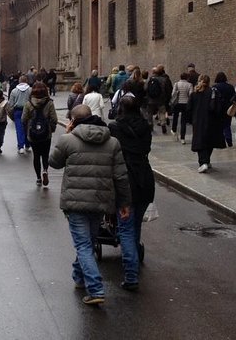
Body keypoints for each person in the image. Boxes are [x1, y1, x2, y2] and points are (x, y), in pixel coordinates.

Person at [48, 104, 132, 305]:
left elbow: (54, 162)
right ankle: (79, 277)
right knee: (88, 243)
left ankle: (95, 289)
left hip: (75, 202)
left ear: (73, 121)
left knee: (84, 245)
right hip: (101, 201)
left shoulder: (68, 140)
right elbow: (120, 176)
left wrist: (66, 135)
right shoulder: (112, 142)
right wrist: (124, 202)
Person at [109, 96, 156, 291]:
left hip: (125, 181)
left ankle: (130, 275)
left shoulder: (115, 128)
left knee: (125, 230)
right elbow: (146, 149)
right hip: (145, 179)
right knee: (135, 228)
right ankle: (134, 262)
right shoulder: (146, 127)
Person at [187, 75, 226, 172]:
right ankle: (207, 161)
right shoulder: (213, 92)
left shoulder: (194, 93)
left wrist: (190, 120)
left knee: (200, 142)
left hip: (198, 121)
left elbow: (189, 108)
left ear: (199, 81)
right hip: (211, 121)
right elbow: (218, 108)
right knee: (209, 142)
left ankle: (203, 162)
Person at [21, 82, 57, 187]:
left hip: (33, 134)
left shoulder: (29, 103)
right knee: (45, 155)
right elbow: (54, 119)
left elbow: (23, 119)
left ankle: (38, 178)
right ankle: (45, 170)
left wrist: (27, 129)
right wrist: (51, 129)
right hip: (46, 134)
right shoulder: (49, 103)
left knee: (36, 156)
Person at [8, 75, 32, 154]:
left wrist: (11, 113)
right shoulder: (30, 90)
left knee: (19, 129)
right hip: (28, 110)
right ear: (26, 81)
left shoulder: (14, 91)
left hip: (18, 111)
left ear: (19, 81)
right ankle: (28, 145)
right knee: (28, 128)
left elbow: (11, 103)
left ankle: (21, 146)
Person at [213, 72, 235, 147]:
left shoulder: (215, 87)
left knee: (219, 125)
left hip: (218, 109)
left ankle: (220, 141)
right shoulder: (230, 87)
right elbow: (234, 98)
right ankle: (229, 141)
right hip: (228, 108)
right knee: (227, 125)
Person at [146, 66, 170, 133]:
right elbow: (167, 90)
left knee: (149, 113)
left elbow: (146, 89)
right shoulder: (163, 79)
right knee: (162, 112)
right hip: (161, 99)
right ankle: (163, 124)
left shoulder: (149, 79)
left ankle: (150, 125)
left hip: (150, 100)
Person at [170, 72, 193, 144]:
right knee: (183, 121)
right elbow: (191, 94)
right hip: (185, 104)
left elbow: (173, 94)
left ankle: (174, 130)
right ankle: (182, 138)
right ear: (187, 77)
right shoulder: (190, 85)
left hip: (177, 103)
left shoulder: (176, 84)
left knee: (175, 117)